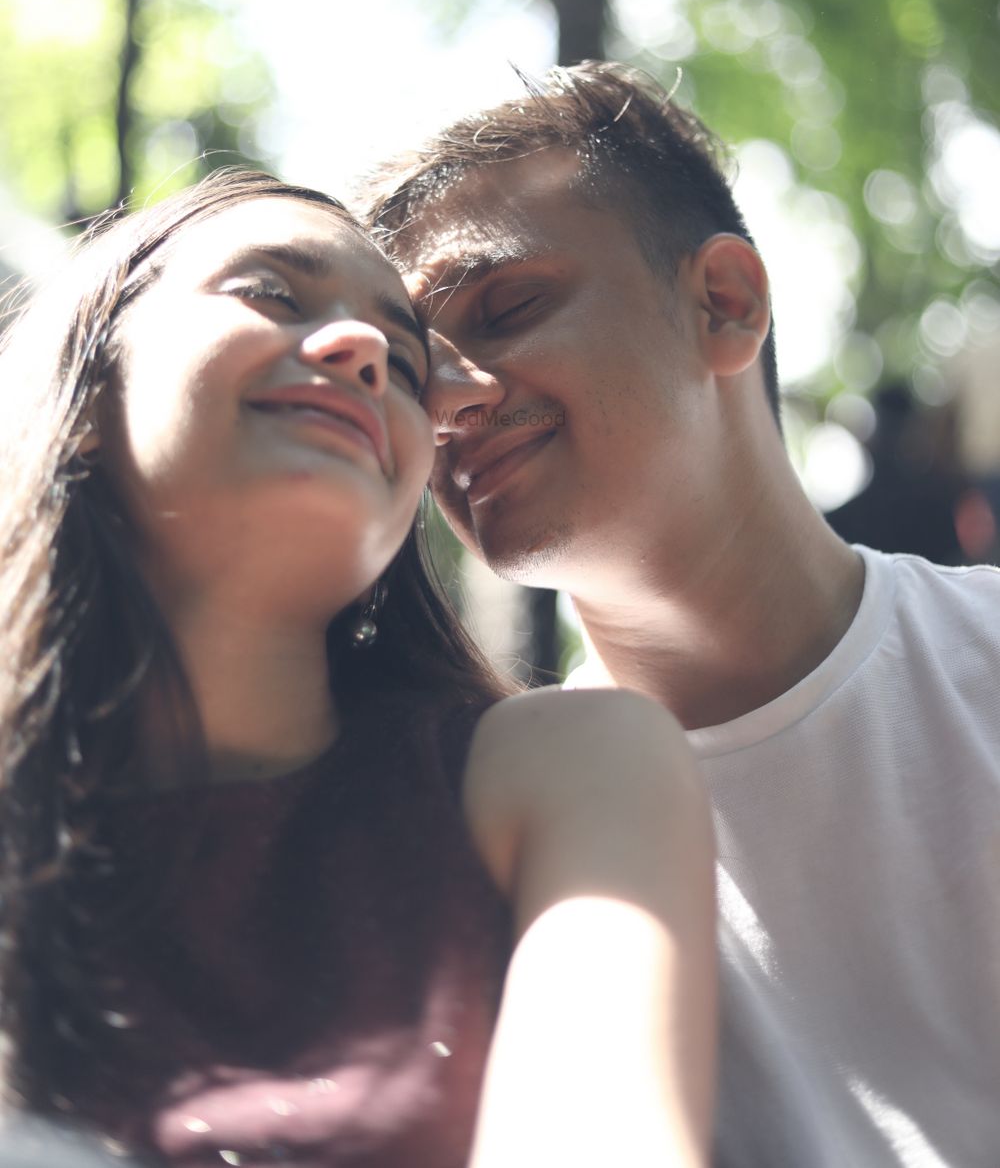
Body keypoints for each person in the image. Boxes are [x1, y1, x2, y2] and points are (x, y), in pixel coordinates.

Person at [0, 168, 716, 1168]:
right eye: (271, 295)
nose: (362, 349)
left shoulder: (569, 767)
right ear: (84, 384)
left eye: (408, 363)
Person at [360, 63, 1000, 1168]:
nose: (454, 396)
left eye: (506, 308)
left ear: (725, 303)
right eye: (414, 372)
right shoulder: (475, 837)